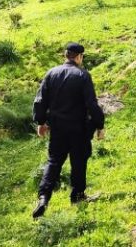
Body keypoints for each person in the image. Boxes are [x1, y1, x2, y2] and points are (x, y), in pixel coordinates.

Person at [31, 42, 105, 218]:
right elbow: (91, 104)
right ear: (79, 57)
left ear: (66, 56)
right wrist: (100, 124)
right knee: (78, 161)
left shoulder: (51, 73)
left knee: (54, 161)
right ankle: (78, 197)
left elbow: (40, 100)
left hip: (57, 127)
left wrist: (41, 122)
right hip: (78, 127)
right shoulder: (83, 75)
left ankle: (43, 198)